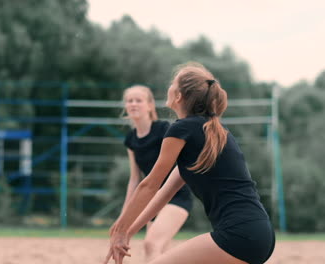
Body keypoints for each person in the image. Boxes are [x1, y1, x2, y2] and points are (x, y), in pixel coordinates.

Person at [104, 62, 275, 264]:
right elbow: (163, 193)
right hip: (260, 233)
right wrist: (129, 232)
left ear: (178, 96)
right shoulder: (211, 131)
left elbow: (150, 184)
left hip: (238, 235)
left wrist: (120, 228)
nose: (169, 86)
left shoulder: (182, 130)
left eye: (172, 83)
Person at [119, 85, 193, 261]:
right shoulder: (131, 139)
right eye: (130, 101)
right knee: (160, 252)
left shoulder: (164, 129)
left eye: (139, 100)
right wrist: (124, 215)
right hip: (151, 199)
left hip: (176, 196)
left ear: (150, 105)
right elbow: (135, 180)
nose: (134, 104)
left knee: (151, 244)